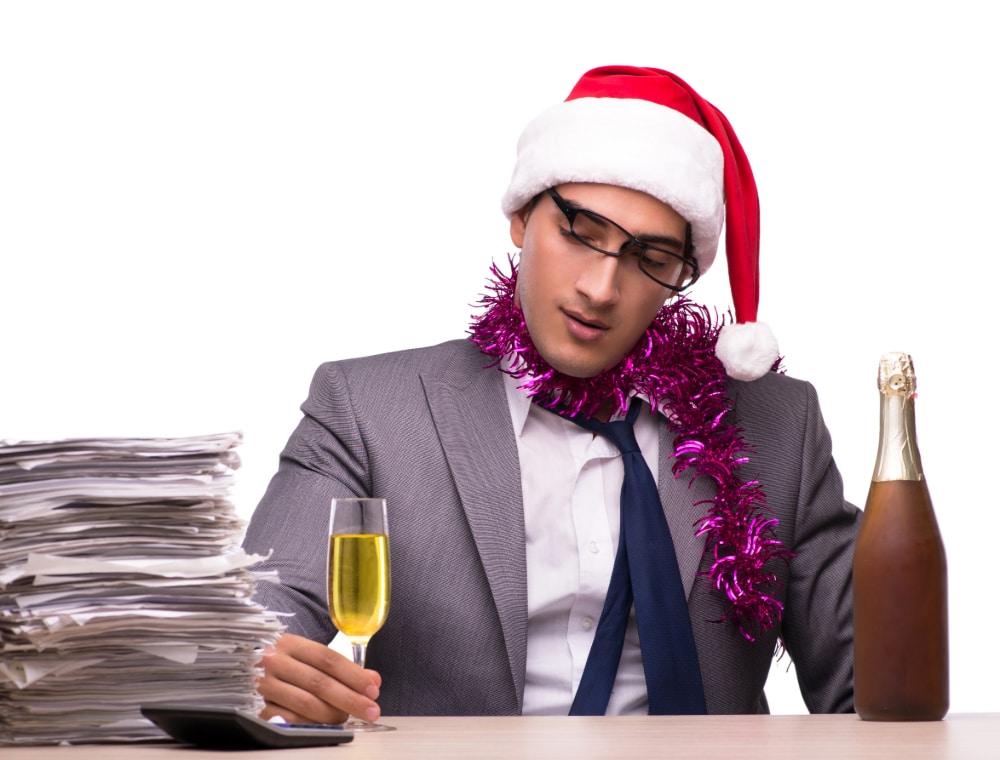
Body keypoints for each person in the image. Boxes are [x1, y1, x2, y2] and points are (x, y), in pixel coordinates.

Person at [242, 66, 859, 724]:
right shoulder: (369, 412)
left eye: (649, 256)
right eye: (581, 230)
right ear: (521, 215)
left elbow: (874, 687)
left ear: (683, 273)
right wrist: (248, 662)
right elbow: (253, 618)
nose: (600, 287)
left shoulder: (776, 429)